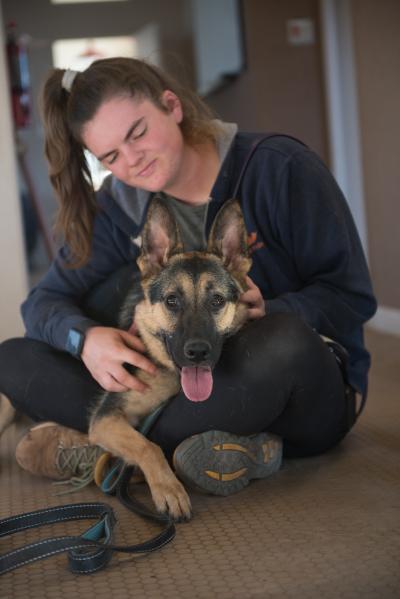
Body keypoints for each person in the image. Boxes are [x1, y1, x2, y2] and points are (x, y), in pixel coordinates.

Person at [0, 57, 376, 498]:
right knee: (13, 358)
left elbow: (352, 297)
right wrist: (87, 340)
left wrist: (271, 309)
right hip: (176, 387)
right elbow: (42, 304)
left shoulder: (280, 167)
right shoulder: (117, 207)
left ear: (172, 106)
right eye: (110, 156)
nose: (132, 160)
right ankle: (214, 450)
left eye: (137, 133)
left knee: (284, 341)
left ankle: (107, 448)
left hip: (284, 383)